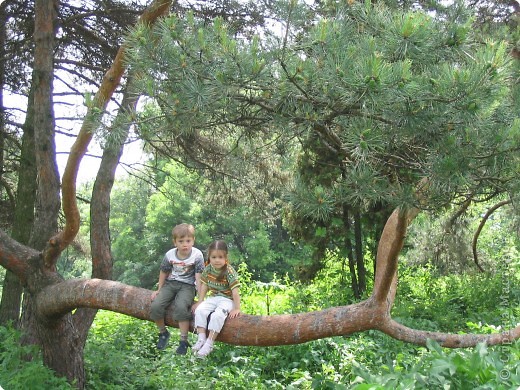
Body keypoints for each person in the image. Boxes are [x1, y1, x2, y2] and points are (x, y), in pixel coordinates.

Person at [150, 223, 204, 354]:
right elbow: (163, 272)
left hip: (188, 286)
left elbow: (199, 277)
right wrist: (159, 289)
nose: (185, 244)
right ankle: (163, 333)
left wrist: (200, 299)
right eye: (181, 241)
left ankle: (183, 341)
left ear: (193, 241)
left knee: (180, 307)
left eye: (188, 241)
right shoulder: (170, 255)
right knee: (156, 306)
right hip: (171, 283)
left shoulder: (197, 255)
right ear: (175, 242)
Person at [192, 240, 241, 358]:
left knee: (217, 315)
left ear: (226, 257)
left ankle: (209, 343)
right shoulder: (208, 269)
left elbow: (235, 291)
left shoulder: (229, 271)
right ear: (209, 257)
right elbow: (204, 285)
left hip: (227, 300)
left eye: (220, 257)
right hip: (214, 297)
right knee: (200, 310)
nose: (217, 260)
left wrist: (237, 308)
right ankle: (201, 338)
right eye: (214, 257)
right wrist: (200, 301)